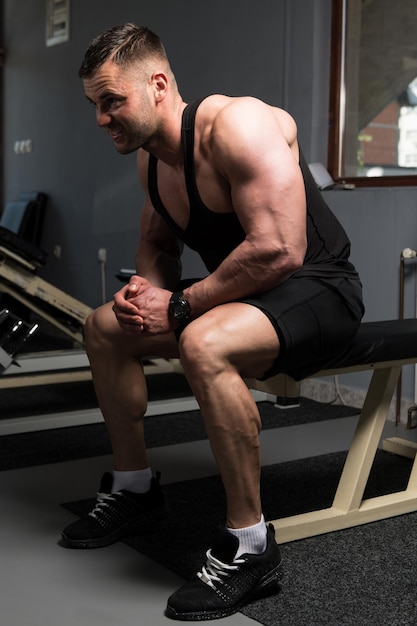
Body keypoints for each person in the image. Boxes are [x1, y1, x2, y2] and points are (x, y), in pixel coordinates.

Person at [61, 23, 364, 621]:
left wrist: (179, 306)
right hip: (243, 298)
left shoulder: (236, 125)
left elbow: (280, 248)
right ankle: (134, 488)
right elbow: (157, 245)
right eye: (95, 105)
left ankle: (249, 546)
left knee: (203, 341)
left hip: (320, 289)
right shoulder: (154, 164)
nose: (101, 118)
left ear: (157, 84)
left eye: (111, 100)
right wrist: (143, 294)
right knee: (102, 326)